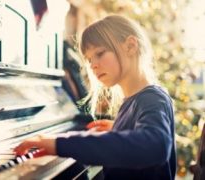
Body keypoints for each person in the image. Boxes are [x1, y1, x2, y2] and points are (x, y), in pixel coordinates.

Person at [14, 14, 176, 180]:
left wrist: (58, 144)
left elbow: (156, 146)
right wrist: (120, 129)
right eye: (89, 59)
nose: (93, 65)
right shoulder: (136, 99)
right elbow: (140, 137)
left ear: (130, 46)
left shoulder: (152, 98)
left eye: (99, 53)